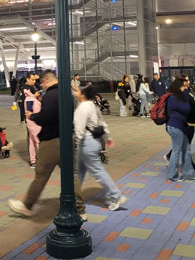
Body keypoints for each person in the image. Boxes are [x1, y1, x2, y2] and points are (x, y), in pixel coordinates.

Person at [8, 70, 87, 220]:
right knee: (72, 175)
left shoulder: (50, 95)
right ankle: (80, 210)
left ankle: (27, 205)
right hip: (67, 139)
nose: (41, 85)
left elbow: (47, 116)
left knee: (41, 174)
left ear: (46, 80)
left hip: (52, 141)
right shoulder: (66, 94)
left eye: (42, 82)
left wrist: (34, 117)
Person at [74, 84, 127, 211]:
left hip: (86, 142)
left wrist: (75, 142)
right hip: (94, 141)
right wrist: (106, 137)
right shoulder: (93, 105)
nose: (74, 92)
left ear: (82, 94)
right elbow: (101, 122)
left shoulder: (81, 108)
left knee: (97, 171)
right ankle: (74, 196)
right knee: (79, 171)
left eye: (77, 90)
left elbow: (79, 130)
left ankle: (116, 195)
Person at [165, 78, 195, 182]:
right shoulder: (173, 97)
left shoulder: (180, 95)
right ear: (178, 86)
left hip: (181, 126)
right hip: (175, 127)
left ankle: (189, 174)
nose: (186, 88)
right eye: (184, 87)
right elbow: (187, 108)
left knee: (187, 149)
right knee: (176, 151)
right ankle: (172, 175)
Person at [23, 72, 42, 168]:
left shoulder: (30, 97)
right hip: (33, 123)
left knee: (32, 141)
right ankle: (41, 161)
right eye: (33, 80)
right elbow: (29, 113)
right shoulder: (30, 98)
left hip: (32, 123)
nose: (34, 82)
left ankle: (33, 161)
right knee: (38, 141)